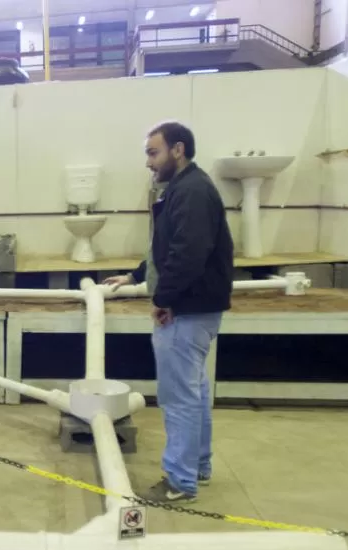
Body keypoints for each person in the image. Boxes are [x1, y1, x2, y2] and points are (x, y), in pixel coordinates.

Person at [104, 121, 234, 504]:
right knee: (193, 394)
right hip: (197, 307)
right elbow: (166, 247)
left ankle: (180, 482)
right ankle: (199, 467)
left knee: (179, 399)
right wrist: (135, 274)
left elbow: (188, 253)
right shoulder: (185, 188)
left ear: (178, 150)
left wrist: (165, 299)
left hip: (186, 310)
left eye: (153, 152)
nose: (148, 161)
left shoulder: (190, 192)